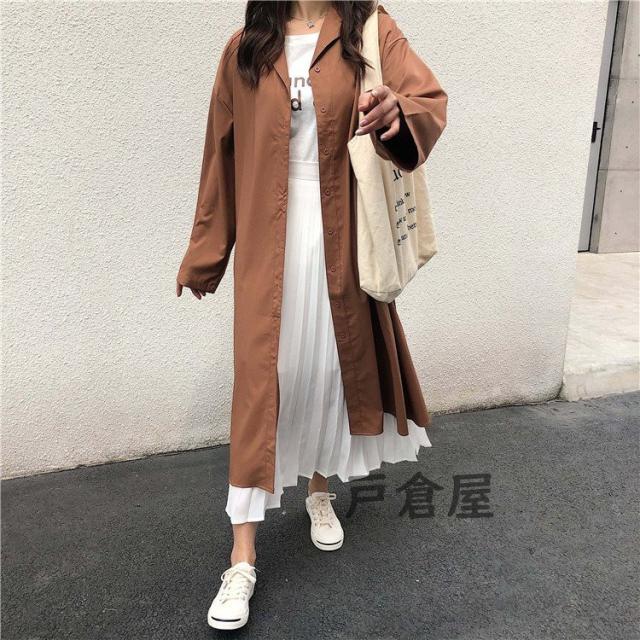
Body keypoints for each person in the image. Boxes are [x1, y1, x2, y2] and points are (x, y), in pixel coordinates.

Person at [176, 0, 447, 630]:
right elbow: (221, 156)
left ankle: (318, 489)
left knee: (326, 369)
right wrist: (207, 254)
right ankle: (242, 556)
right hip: (268, 242)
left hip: (340, 237)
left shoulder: (369, 26)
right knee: (262, 385)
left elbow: (427, 100)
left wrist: (396, 114)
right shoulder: (246, 47)